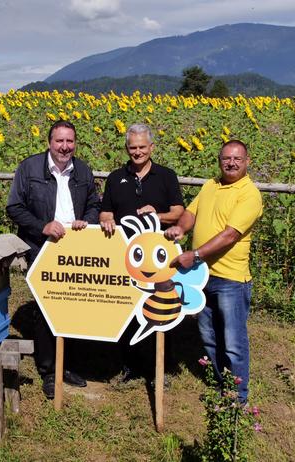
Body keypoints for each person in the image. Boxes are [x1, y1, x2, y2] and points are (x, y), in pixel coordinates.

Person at [7, 120, 100, 399]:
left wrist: (89, 220)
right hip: (41, 246)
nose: (65, 147)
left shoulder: (82, 170)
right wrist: (42, 226)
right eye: (59, 141)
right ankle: (49, 370)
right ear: (49, 143)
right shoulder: (30, 168)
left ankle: (68, 364)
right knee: (47, 308)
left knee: (73, 304)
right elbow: (14, 207)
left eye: (70, 141)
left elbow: (95, 203)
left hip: (75, 248)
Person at [164, 140, 263, 403]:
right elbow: (190, 212)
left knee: (233, 341)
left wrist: (194, 255)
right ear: (219, 160)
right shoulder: (211, 185)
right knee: (208, 336)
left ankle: (238, 396)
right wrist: (182, 229)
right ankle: (221, 384)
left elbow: (230, 235)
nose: (231, 163)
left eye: (237, 159)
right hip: (202, 276)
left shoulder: (249, 194)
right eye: (226, 158)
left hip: (231, 278)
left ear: (247, 162)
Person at [99, 123, 184, 382]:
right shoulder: (115, 178)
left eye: (142, 147)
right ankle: (130, 364)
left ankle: (159, 366)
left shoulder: (166, 176)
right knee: (126, 309)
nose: (137, 152)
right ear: (127, 148)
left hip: (158, 255)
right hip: (125, 253)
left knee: (159, 308)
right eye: (133, 147)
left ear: (152, 148)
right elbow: (105, 211)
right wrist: (106, 220)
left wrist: (156, 215)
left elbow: (178, 211)